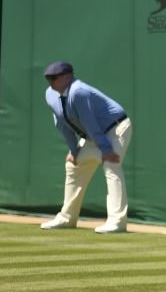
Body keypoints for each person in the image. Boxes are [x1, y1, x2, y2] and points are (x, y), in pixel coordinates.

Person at [39, 61, 133, 234]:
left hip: (116, 128)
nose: (50, 82)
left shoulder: (78, 91)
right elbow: (61, 124)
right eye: (48, 78)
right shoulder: (50, 94)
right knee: (73, 165)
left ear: (67, 77)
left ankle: (117, 221)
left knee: (111, 165)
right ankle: (67, 218)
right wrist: (73, 151)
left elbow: (90, 123)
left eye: (54, 78)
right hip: (93, 135)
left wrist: (106, 150)